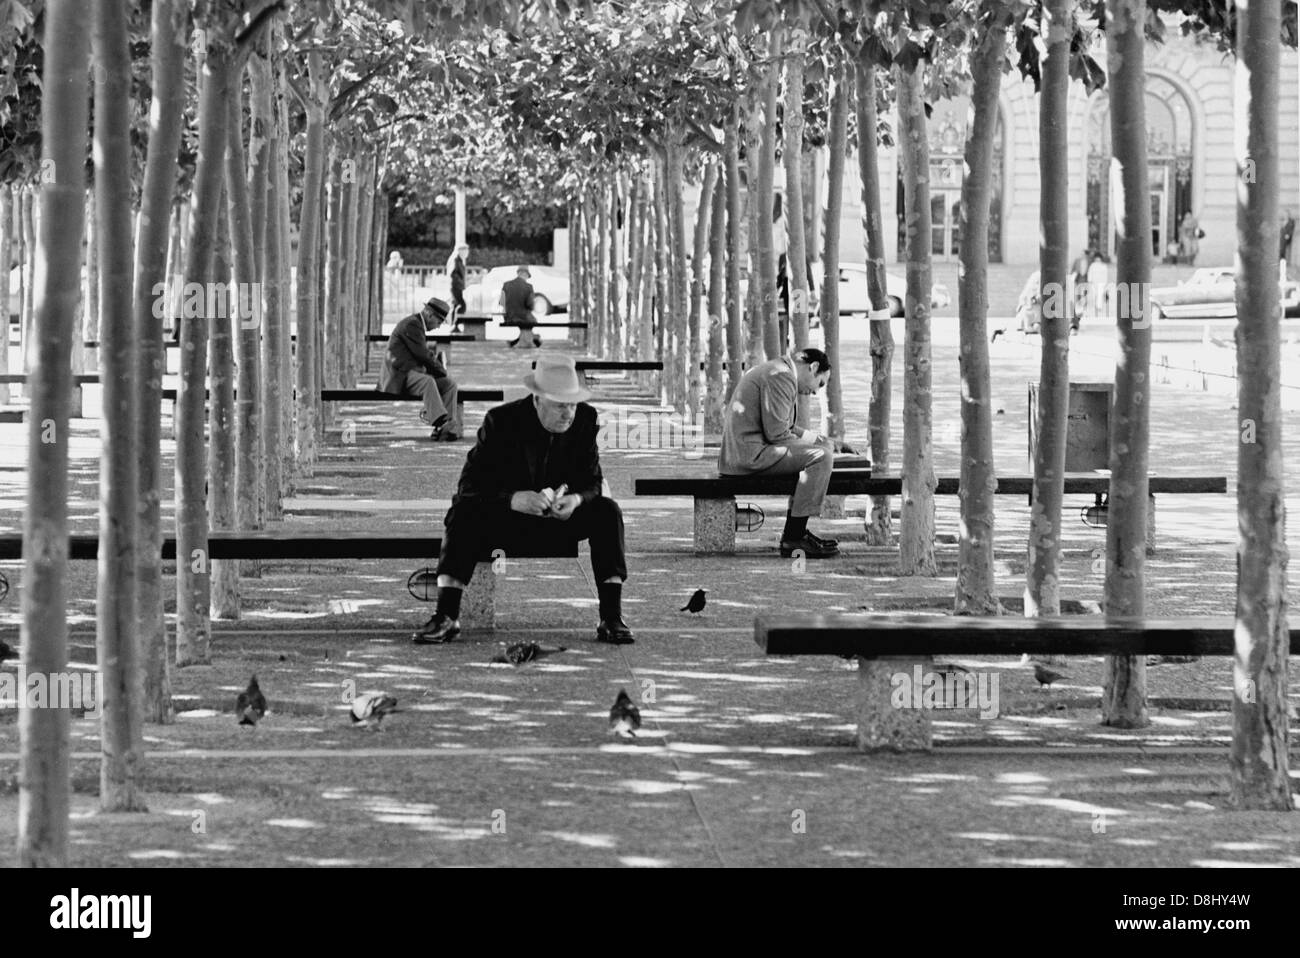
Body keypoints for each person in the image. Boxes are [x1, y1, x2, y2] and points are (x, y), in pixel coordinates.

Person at [412, 355, 633, 645]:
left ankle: (611, 617)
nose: (568, 413)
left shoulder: (586, 419)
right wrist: (513, 499)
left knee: (608, 511)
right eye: (560, 406)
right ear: (538, 399)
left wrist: (576, 500)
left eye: (572, 404)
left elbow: (593, 481)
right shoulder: (501, 422)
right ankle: (446, 616)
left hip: (558, 522)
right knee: (462, 512)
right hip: (506, 522)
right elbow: (469, 487)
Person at [719, 347, 856, 559]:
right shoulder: (781, 376)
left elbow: (787, 427)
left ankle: (798, 532)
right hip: (750, 457)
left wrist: (826, 441)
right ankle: (794, 536)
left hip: (745, 453)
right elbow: (778, 435)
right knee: (821, 458)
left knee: (822, 451)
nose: (815, 392)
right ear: (813, 367)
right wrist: (822, 450)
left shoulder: (779, 371)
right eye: (819, 383)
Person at [380, 297, 461, 441]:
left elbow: (423, 356)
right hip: (399, 375)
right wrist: (442, 371)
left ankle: (445, 429)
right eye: (439, 322)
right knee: (427, 382)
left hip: (410, 372)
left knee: (449, 385)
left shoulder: (416, 324)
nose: (438, 326)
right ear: (429, 314)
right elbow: (423, 355)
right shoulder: (412, 324)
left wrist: (443, 375)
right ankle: (440, 422)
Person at [500, 265, 542, 349]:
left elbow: (501, 302)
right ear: (526, 274)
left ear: (518, 273)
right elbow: (530, 305)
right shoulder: (528, 287)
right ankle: (527, 341)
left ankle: (519, 341)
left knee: (527, 323)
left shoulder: (506, 285)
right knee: (532, 321)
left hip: (509, 317)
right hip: (523, 317)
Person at [447, 244, 469, 323]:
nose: (467, 252)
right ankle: (456, 323)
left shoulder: (458, 259)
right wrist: (460, 282)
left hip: (456, 286)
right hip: (455, 286)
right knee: (461, 305)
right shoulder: (455, 259)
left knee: (456, 305)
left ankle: (454, 324)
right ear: (460, 251)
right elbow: (453, 273)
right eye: (466, 250)